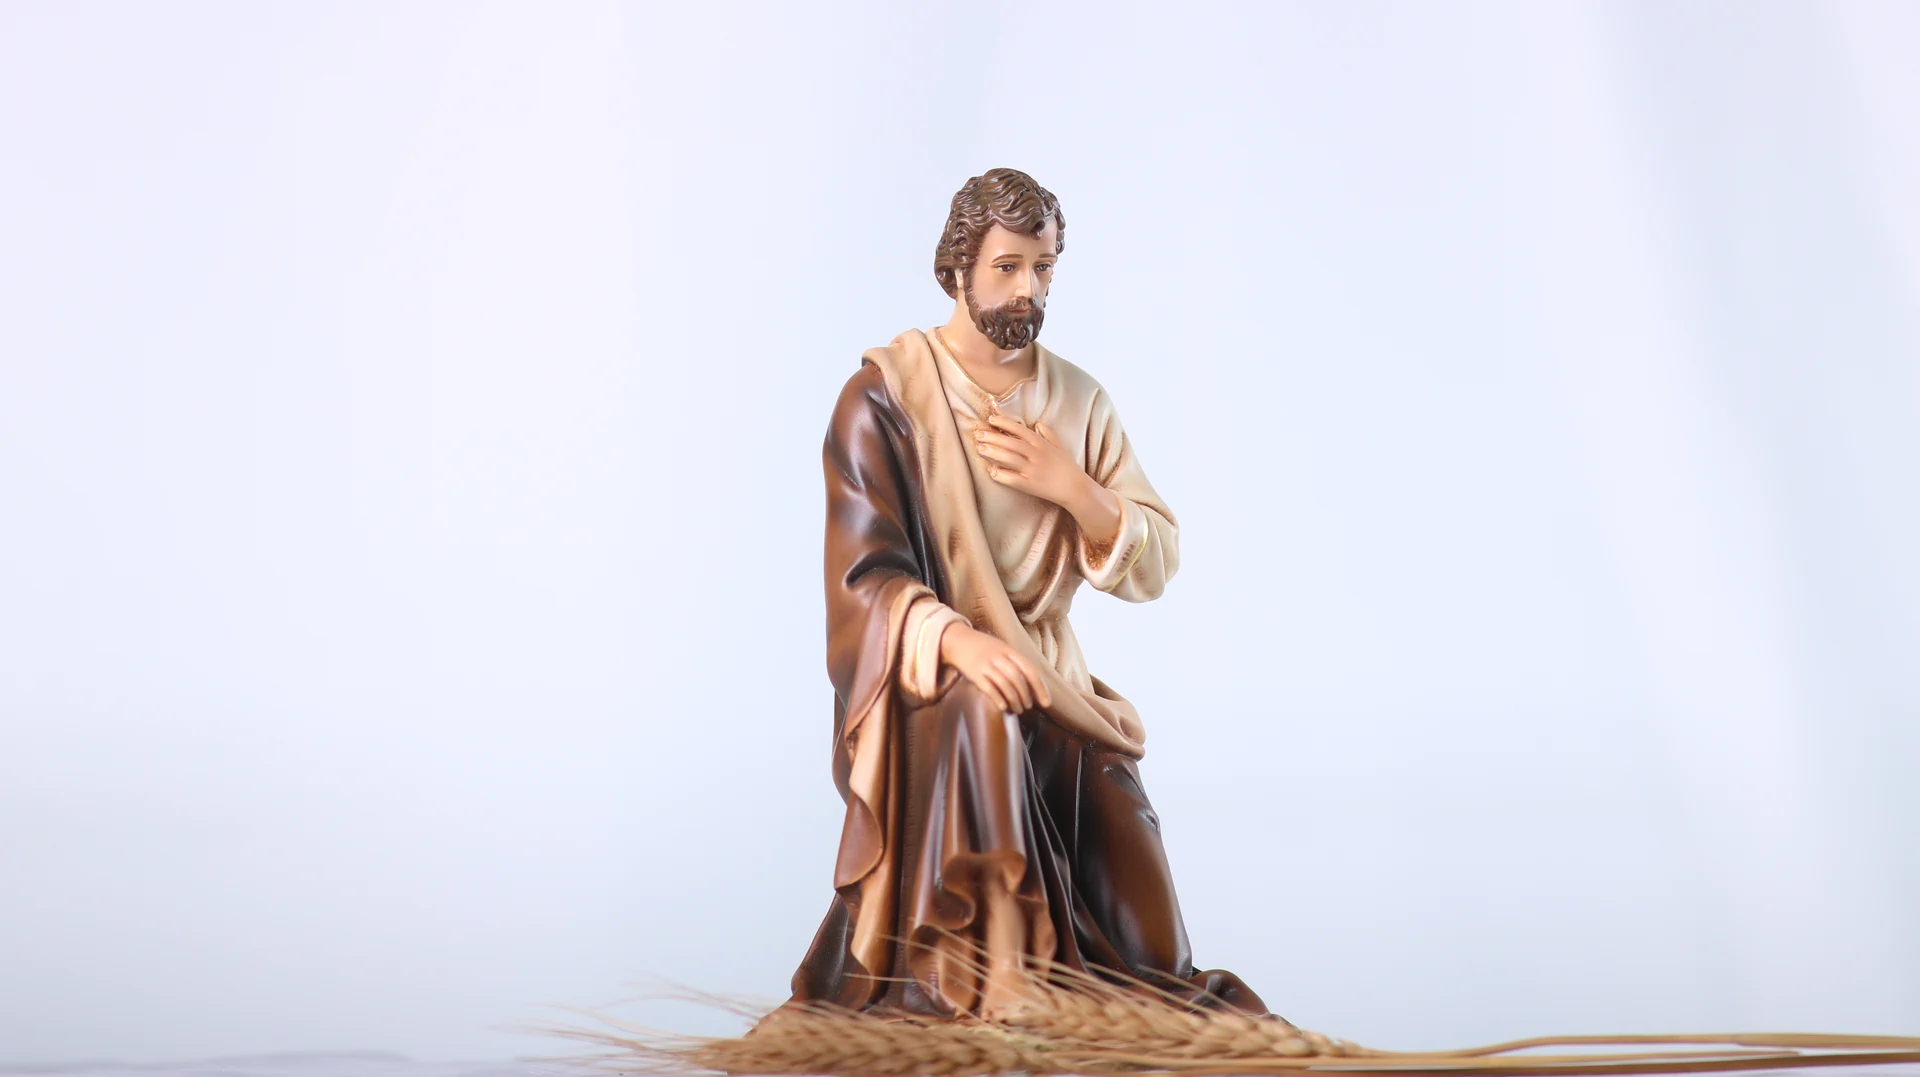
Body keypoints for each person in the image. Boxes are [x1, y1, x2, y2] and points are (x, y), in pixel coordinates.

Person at [790, 168, 1268, 1021]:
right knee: (982, 707)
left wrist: (1076, 490)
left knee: (1157, 956)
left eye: (1043, 267)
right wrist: (960, 641)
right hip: (934, 698)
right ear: (957, 268)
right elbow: (862, 577)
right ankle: (997, 978)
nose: (1029, 289)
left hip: (1058, 692)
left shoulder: (1077, 401)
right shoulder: (886, 398)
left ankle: (1073, 989)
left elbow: (1159, 561)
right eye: (1007, 267)